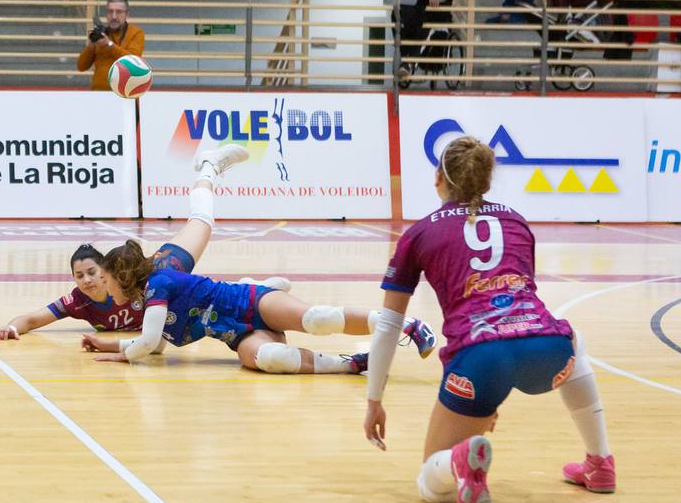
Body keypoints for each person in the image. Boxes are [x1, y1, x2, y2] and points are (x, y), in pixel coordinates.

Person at [362, 136, 615, 503]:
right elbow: (521, 294)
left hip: (481, 358)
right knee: (574, 341)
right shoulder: (515, 219)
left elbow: (388, 325)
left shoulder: (420, 232)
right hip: (545, 349)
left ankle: (460, 463)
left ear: (439, 180)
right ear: (485, 179)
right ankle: (600, 462)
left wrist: (374, 399)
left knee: (432, 486)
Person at [81, 147, 437, 373]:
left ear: (123, 275)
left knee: (316, 319)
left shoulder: (163, 273)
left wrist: (120, 354)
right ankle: (351, 365)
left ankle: (407, 325)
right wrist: (110, 343)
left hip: (245, 303)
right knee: (270, 360)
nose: (106, 291)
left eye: (107, 283)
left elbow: (146, 343)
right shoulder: (149, 296)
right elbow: (155, 343)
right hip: (235, 331)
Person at [0, 149, 292, 338]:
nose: (86, 280)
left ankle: (209, 168)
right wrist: (11, 327)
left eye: (91, 272)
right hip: (186, 317)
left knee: (201, 221)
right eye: (78, 275)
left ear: (107, 272)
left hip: (169, 265)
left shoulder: (147, 282)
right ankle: (251, 284)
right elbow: (32, 319)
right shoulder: (79, 302)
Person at [76, 0, 145, 91]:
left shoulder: (136, 33)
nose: (114, 16)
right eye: (110, 11)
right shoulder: (101, 34)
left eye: (119, 12)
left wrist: (109, 45)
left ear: (127, 15)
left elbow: (132, 62)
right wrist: (92, 45)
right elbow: (81, 66)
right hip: (98, 93)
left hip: (124, 93)